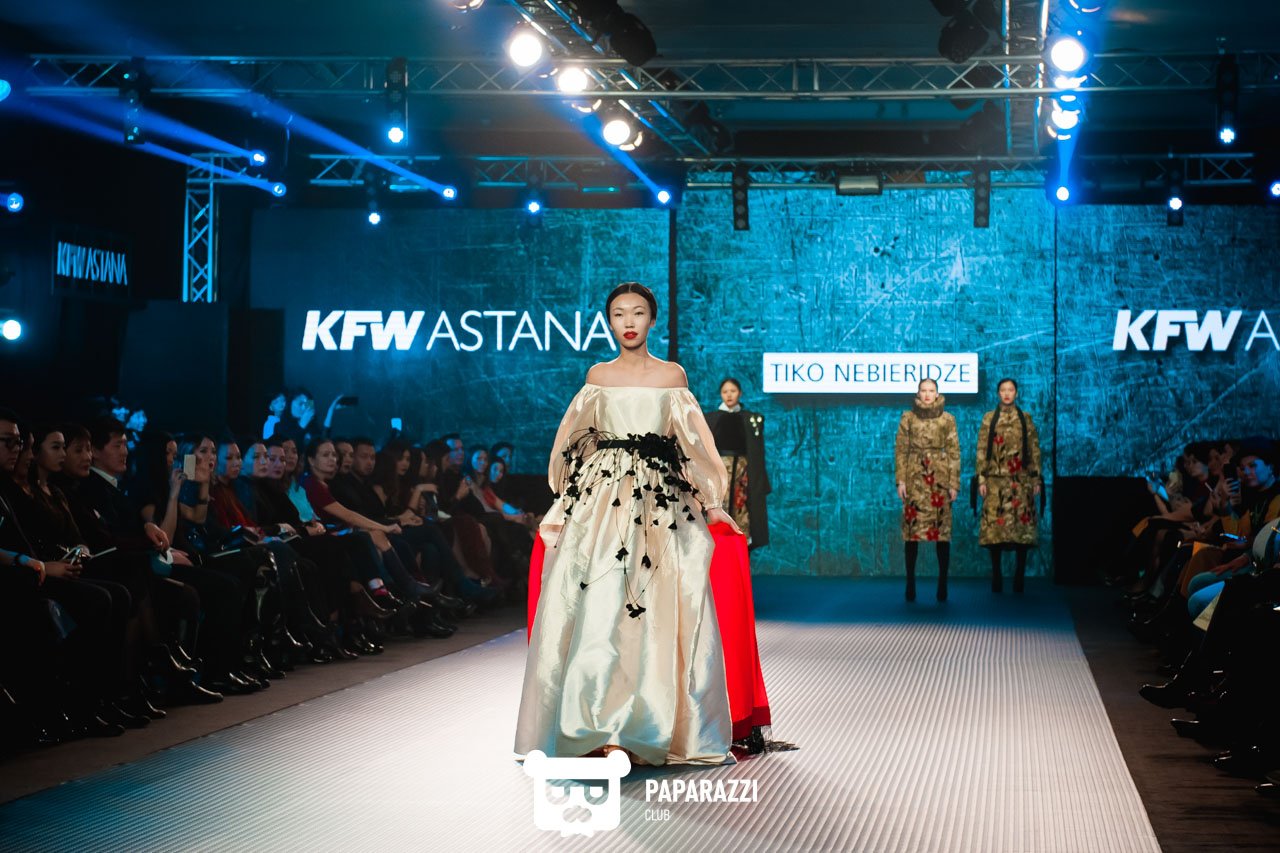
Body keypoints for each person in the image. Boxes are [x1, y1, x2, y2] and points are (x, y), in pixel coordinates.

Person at [515, 281, 739, 767]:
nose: (629, 322)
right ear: (610, 321)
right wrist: (566, 495)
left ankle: (644, 726)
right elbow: (572, 440)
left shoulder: (672, 376)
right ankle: (597, 724)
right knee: (601, 606)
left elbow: (693, 442)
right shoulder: (598, 375)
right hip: (603, 503)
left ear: (652, 320)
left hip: (659, 503)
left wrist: (711, 499)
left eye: (638, 313)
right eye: (619, 314)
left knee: (654, 610)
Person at [894, 377, 960, 602]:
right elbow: (901, 450)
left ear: (937, 393)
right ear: (918, 393)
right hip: (914, 478)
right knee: (912, 534)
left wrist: (954, 483)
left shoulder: (948, 419)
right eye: (923, 390)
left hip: (939, 479)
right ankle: (910, 583)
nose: (927, 394)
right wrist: (901, 481)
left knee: (942, 533)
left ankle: (942, 583)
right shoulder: (908, 417)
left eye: (931, 390)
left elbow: (954, 452)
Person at [976, 378, 1043, 593]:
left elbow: (1034, 450)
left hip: (1020, 481)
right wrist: (981, 479)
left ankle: (1019, 575)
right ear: (998, 393)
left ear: (1016, 393)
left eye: (1010, 390)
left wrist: (1036, 479)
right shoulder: (989, 418)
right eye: (1003, 390)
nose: (1007, 393)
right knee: (995, 531)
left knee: (1022, 531)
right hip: (996, 481)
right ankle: (996, 574)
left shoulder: (1025, 418)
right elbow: (981, 450)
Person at [704, 377, 771, 549]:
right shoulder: (711, 419)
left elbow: (757, 451)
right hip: (720, 470)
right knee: (720, 504)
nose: (729, 395)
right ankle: (717, 549)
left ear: (740, 393)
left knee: (742, 506)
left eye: (733, 391)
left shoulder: (749, 419)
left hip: (743, 471)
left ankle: (741, 548)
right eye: (725, 392)